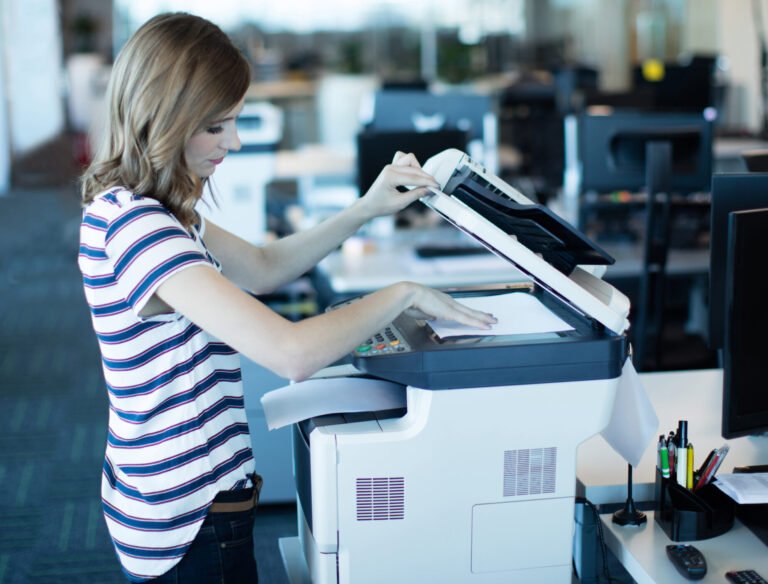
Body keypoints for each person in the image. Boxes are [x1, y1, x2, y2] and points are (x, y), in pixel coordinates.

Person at [78, 12, 495, 584]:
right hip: (189, 519)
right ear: (165, 118)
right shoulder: (142, 229)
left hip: (170, 498)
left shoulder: (152, 210)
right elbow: (291, 354)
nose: (235, 142)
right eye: (216, 126)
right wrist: (403, 294)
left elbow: (264, 268)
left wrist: (364, 209)